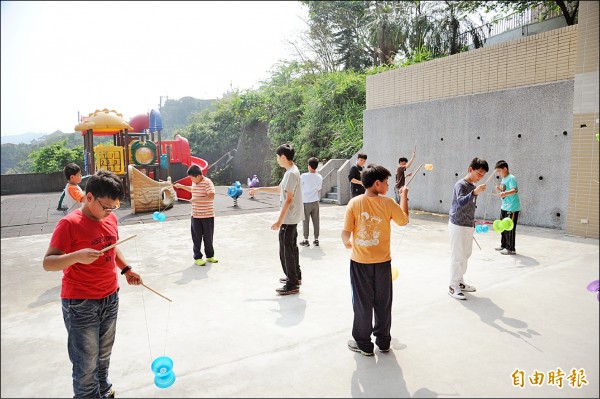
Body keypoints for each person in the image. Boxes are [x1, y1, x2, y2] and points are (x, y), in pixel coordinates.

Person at [42, 170, 143, 398]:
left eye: (114, 208)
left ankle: (104, 390)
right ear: (89, 197)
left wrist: (126, 269)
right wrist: (76, 256)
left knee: (103, 354)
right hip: (81, 303)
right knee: (86, 363)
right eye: (106, 207)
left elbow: (112, 246)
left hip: (110, 296)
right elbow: (48, 263)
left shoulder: (110, 218)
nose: (109, 213)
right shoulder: (69, 224)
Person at [341, 164, 409, 356]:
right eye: (386, 182)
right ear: (377, 183)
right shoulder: (387, 203)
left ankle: (363, 344)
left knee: (362, 303)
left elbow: (346, 232)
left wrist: (347, 243)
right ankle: (383, 340)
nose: (388, 186)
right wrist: (404, 195)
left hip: (360, 263)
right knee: (383, 303)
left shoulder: (354, 203)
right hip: (382, 263)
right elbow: (404, 220)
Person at [249, 144, 304, 295]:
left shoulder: (291, 174)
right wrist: (259, 189)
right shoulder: (291, 171)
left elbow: (288, 199)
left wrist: (280, 220)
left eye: (277, 157)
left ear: (283, 157)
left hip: (289, 218)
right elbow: (280, 189)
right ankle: (295, 277)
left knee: (286, 251)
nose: (277, 159)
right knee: (292, 248)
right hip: (291, 217)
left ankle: (292, 283)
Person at [448, 157, 489, 300]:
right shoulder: (461, 184)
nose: (480, 177)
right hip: (458, 224)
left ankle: (459, 281)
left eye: (483, 175)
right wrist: (474, 193)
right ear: (470, 169)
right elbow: (460, 202)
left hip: (467, 225)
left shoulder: (472, 186)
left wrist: (473, 222)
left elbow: (470, 206)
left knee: (466, 255)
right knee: (457, 256)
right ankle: (453, 286)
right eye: (479, 173)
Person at [174, 164, 218, 266]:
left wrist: (196, 200)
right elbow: (193, 189)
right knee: (196, 237)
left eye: (191, 178)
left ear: (198, 176)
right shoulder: (195, 182)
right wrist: (181, 186)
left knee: (208, 237)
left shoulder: (208, 182)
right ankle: (197, 257)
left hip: (207, 215)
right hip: (195, 215)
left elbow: (211, 197)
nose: (191, 180)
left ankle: (210, 256)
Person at [494, 160, 521, 255]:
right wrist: (500, 189)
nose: (498, 173)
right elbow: (505, 189)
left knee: (510, 228)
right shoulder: (504, 179)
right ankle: (504, 245)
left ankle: (511, 249)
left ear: (505, 169)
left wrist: (505, 193)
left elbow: (514, 190)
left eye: (499, 170)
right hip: (504, 206)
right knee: (502, 226)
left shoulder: (511, 178)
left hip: (512, 208)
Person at [300, 157, 323, 247]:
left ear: (309, 166)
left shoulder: (303, 176)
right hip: (315, 201)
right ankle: (316, 239)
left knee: (305, 221)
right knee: (316, 221)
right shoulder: (319, 177)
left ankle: (306, 240)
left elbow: (300, 187)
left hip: (306, 201)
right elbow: (319, 188)